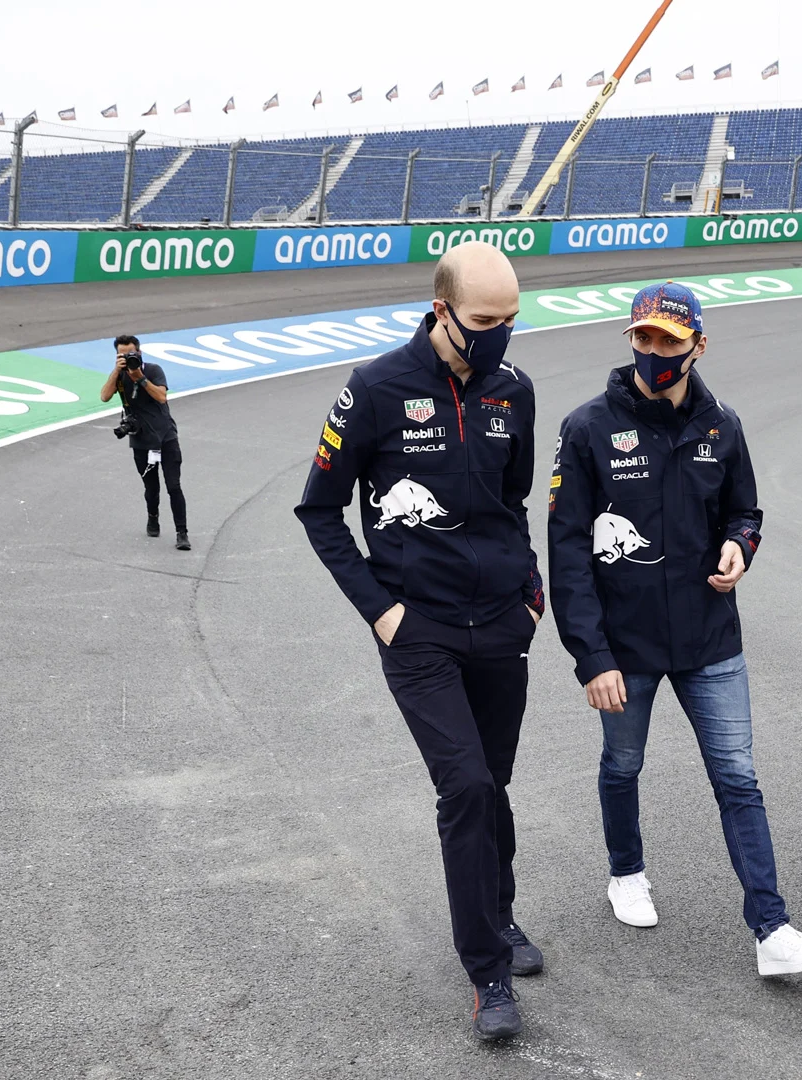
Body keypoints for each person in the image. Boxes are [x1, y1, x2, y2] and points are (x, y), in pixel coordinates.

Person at [549, 281, 802, 978]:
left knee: (739, 778)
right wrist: (592, 657)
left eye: (668, 342)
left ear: (698, 346)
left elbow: (747, 512)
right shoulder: (587, 428)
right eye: (642, 338)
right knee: (623, 764)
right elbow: (565, 548)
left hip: (711, 639)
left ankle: (772, 929)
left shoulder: (723, 425)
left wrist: (741, 545)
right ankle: (626, 871)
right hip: (627, 646)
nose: (653, 352)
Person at [294, 241, 544, 1041]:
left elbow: (514, 501)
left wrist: (531, 589)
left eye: (511, 319)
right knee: (465, 787)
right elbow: (320, 513)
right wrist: (381, 611)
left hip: (503, 622)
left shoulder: (514, 390)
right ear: (442, 311)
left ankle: (499, 913)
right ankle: (488, 973)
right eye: (484, 321)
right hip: (420, 629)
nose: (501, 334)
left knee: (493, 787)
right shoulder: (374, 389)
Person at [99, 335, 189, 550]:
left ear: (139, 352)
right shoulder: (119, 376)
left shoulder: (154, 370)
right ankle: (153, 517)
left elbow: (161, 397)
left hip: (166, 437)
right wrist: (116, 371)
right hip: (141, 440)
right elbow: (104, 396)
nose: (128, 357)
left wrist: (139, 377)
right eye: (123, 354)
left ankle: (182, 533)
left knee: (174, 486)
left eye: (132, 353)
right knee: (151, 487)